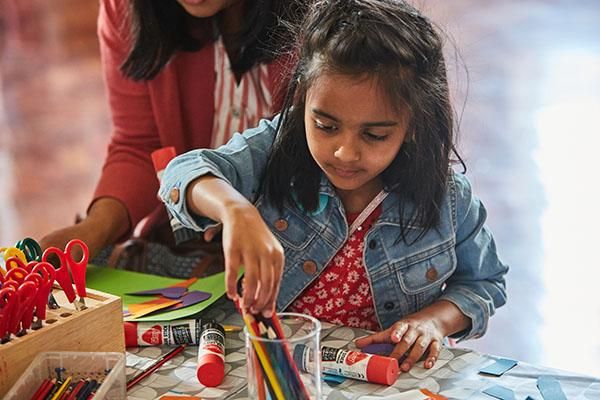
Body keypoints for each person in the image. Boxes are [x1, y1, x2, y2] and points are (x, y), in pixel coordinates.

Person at [159, 0, 509, 372]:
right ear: (301, 99)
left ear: (414, 126)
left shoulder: (448, 197)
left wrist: (434, 321)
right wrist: (234, 210)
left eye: (374, 135)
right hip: (278, 370)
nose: (344, 152)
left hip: (384, 378)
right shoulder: (277, 147)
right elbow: (182, 173)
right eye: (325, 126)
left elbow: (485, 283)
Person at [39, 0, 304, 268]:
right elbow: (141, 145)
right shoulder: (129, 8)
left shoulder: (328, 17)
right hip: (189, 244)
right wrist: (92, 230)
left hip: (302, 246)